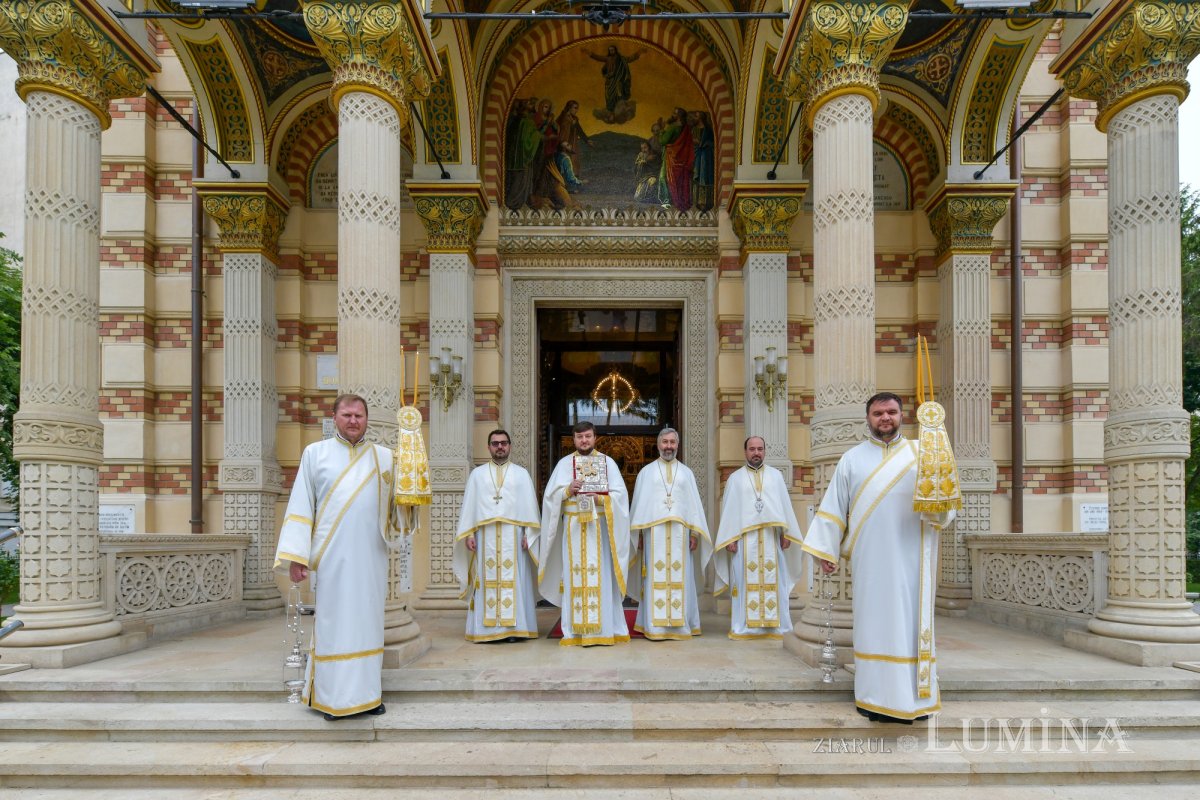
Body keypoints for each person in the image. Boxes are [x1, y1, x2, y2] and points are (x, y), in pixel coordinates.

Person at [803, 392, 955, 724]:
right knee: (873, 624)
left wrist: (940, 509)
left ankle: (915, 698)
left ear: (903, 416)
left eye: (891, 412)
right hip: (869, 560)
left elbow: (948, 499)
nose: (884, 418)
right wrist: (826, 551)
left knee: (910, 624)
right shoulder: (852, 460)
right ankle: (873, 698)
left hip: (913, 559)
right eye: (877, 413)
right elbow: (833, 506)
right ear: (867, 418)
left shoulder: (923, 454)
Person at [275, 394, 402, 720]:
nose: (353, 421)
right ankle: (331, 699)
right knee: (334, 624)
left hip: (371, 556)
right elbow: (301, 507)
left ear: (367, 419)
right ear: (335, 417)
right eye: (347, 415)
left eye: (359, 415)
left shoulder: (385, 458)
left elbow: (398, 510)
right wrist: (297, 558)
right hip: (332, 559)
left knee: (368, 623)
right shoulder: (315, 455)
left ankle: (368, 695)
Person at [534, 421, 631, 646]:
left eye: (588, 436)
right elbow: (550, 498)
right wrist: (567, 490)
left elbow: (621, 498)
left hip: (600, 532)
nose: (584, 441)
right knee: (574, 576)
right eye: (580, 437)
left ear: (595, 437)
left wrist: (601, 499)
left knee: (602, 576)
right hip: (573, 530)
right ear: (574, 439)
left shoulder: (608, 463)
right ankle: (575, 632)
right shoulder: (563, 465)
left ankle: (605, 630)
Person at [453, 429, 542, 642]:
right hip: (485, 536)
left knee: (516, 581)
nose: (500, 447)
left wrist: (528, 534)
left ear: (510, 446)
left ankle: (515, 629)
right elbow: (470, 508)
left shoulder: (521, 474)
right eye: (495, 443)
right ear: (489, 447)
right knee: (485, 581)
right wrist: (469, 534)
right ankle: (488, 631)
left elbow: (529, 508)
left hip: (514, 535)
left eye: (503, 443)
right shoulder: (477, 475)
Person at [713, 436, 804, 639]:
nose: (756, 453)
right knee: (744, 582)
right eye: (752, 449)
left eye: (760, 449)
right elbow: (729, 511)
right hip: (745, 541)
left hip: (771, 538)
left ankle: (775, 625)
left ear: (765, 451)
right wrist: (730, 539)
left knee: (775, 581)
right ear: (745, 452)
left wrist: (786, 532)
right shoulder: (735, 478)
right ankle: (744, 625)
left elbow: (784, 507)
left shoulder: (775, 476)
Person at [628, 427, 713, 640]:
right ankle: (654, 627)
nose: (668, 446)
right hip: (653, 535)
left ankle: (681, 624)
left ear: (677, 444)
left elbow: (692, 505)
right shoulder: (646, 472)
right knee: (653, 578)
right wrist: (638, 535)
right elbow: (639, 505)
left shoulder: (686, 473)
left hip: (680, 535)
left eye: (672, 442)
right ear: (658, 445)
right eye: (665, 442)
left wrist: (694, 533)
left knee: (681, 578)